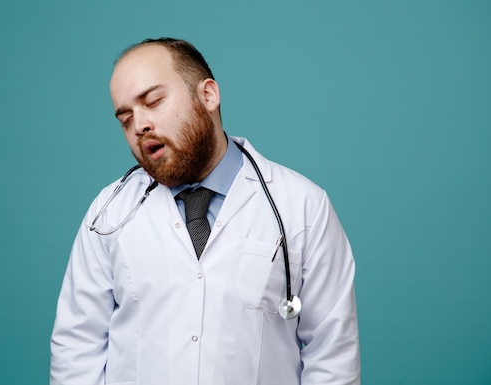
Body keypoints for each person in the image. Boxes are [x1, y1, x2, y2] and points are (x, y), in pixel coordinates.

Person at [50, 38, 360, 385]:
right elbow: (76, 351)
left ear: (208, 96)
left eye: (152, 102)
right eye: (125, 118)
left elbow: (333, 356)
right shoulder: (109, 214)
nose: (139, 126)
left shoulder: (302, 206)